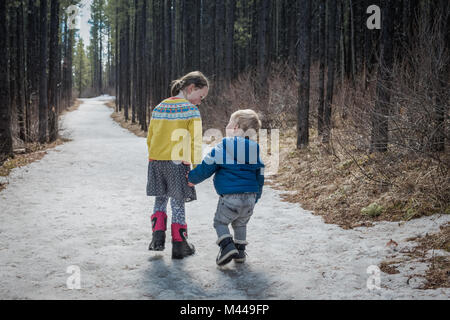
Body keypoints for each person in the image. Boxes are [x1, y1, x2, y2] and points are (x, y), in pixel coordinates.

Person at [187, 109, 264, 266]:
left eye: (229, 123)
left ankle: (227, 246)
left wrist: (191, 179)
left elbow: (207, 167)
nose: (226, 125)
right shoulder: (255, 151)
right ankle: (240, 252)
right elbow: (260, 175)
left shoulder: (223, 147)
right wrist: (256, 197)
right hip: (250, 197)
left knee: (220, 222)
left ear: (235, 128)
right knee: (240, 223)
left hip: (230, 197)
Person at [147, 71, 209, 259]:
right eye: (200, 96)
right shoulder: (191, 111)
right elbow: (196, 142)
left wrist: (153, 155)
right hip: (178, 162)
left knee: (160, 198)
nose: (200, 101)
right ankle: (179, 244)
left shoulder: (159, 107)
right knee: (178, 202)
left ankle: (157, 239)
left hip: (156, 161)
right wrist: (196, 168)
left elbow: (150, 136)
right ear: (191, 89)